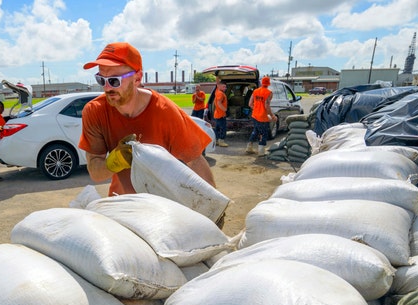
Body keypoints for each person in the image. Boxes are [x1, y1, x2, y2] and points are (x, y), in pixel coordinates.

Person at [78, 42, 216, 198]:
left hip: (163, 207)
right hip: (122, 204)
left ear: (137, 78)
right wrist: (115, 161)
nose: (107, 88)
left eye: (114, 80)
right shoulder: (94, 111)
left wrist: (214, 205)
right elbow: (95, 173)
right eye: (101, 80)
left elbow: (194, 160)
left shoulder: (165, 111)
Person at [246, 77, 276, 156]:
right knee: (263, 133)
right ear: (268, 84)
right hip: (262, 117)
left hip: (255, 115)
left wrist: (256, 109)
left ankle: (249, 147)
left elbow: (250, 104)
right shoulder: (269, 93)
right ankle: (261, 151)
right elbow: (267, 106)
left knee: (255, 131)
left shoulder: (255, 91)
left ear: (261, 83)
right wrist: (272, 115)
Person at [213, 82, 229, 147]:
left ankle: (216, 140)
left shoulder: (217, 92)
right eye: (223, 87)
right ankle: (221, 141)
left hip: (217, 114)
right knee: (223, 128)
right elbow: (219, 103)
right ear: (219, 86)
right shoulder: (221, 94)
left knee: (217, 128)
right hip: (221, 115)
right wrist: (225, 110)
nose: (225, 88)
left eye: (225, 87)